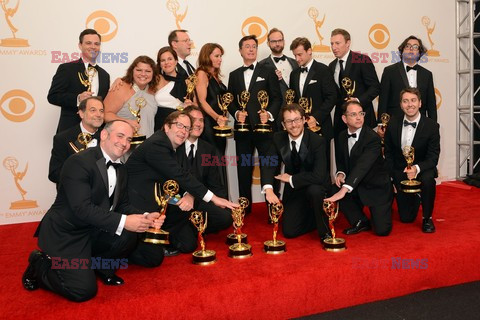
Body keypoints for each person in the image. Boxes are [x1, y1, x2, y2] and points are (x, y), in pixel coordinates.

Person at [22, 120, 165, 302]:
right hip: (67, 233)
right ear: (104, 135)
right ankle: (40, 264)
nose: (124, 143)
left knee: (130, 236)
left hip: (94, 227)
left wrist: (146, 217)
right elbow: (82, 209)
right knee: (83, 290)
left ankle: (100, 266)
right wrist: (124, 222)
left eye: (129, 139)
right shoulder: (79, 162)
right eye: (120, 136)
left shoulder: (121, 167)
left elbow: (122, 205)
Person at [126, 111, 238, 255]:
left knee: (188, 245)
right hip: (141, 206)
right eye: (179, 125)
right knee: (152, 258)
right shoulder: (157, 144)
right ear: (167, 127)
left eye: (187, 128)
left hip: (165, 202)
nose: (183, 131)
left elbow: (175, 179)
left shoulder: (170, 146)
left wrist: (187, 195)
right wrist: (214, 199)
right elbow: (181, 176)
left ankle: (175, 232)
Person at [227, 34, 282, 213]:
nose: (251, 49)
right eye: (247, 46)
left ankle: (272, 208)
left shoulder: (268, 71)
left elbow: (276, 98)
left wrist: (270, 114)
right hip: (243, 131)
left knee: (270, 165)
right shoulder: (234, 75)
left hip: (265, 130)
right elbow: (230, 100)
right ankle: (244, 207)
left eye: (254, 46)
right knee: (243, 169)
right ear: (240, 50)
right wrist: (236, 113)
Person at [264, 104, 331, 241]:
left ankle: (324, 230)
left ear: (303, 120)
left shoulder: (317, 141)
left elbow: (319, 176)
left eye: (297, 120)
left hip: (316, 186)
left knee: (315, 191)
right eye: (289, 121)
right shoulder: (278, 138)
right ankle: (313, 214)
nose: (294, 125)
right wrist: (268, 189)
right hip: (295, 190)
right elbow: (268, 164)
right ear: (283, 124)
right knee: (289, 232)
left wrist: (291, 179)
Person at [325, 101, 393, 236]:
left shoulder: (372, 138)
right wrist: (340, 174)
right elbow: (341, 162)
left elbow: (362, 166)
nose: (359, 117)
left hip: (376, 187)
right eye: (353, 114)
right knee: (334, 188)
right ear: (344, 118)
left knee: (382, 231)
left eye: (361, 113)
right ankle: (360, 221)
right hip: (355, 186)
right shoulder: (341, 136)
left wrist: (344, 190)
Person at [384, 88, 440, 233]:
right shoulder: (393, 123)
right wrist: (392, 176)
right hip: (400, 170)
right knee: (406, 218)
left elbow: (433, 157)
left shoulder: (432, 126)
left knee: (428, 180)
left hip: (422, 169)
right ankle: (412, 197)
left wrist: (416, 168)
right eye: (405, 101)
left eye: (413, 100)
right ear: (401, 105)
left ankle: (427, 218)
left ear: (420, 103)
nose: (410, 104)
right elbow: (388, 153)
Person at [176, 105, 232, 233]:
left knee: (225, 217)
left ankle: (193, 227)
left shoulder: (208, 149)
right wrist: (186, 196)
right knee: (187, 243)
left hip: (200, 199)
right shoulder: (173, 146)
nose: (198, 124)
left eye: (201, 120)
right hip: (177, 202)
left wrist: (223, 203)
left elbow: (214, 182)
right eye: (193, 119)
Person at [48, 29, 110, 133]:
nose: (93, 47)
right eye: (88, 43)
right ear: (80, 45)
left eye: (96, 44)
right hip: (70, 131)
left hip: (96, 133)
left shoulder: (104, 75)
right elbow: (53, 96)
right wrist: (78, 98)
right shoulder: (67, 69)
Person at [289, 37, 337, 169]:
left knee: (322, 168)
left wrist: (316, 118)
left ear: (309, 51)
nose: (297, 59)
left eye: (300, 54)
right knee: (303, 167)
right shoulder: (294, 74)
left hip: (320, 129)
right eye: (295, 55)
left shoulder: (323, 70)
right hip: (300, 130)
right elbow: (292, 102)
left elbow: (332, 97)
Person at [328, 28, 380, 141]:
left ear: (348, 43)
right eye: (332, 44)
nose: (334, 47)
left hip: (362, 119)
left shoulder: (362, 60)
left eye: (337, 43)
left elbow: (375, 87)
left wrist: (358, 101)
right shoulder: (331, 66)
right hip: (341, 122)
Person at [378, 35, 437, 131]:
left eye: (415, 47)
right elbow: (383, 99)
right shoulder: (390, 71)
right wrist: (381, 123)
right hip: (395, 123)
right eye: (408, 46)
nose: (411, 49)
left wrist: (433, 125)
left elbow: (431, 104)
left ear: (419, 52)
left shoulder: (427, 74)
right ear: (402, 50)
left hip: (420, 125)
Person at [48, 96, 104, 184]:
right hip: (73, 194)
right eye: (93, 110)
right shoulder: (63, 138)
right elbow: (54, 174)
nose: (98, 114)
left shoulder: (108, 138)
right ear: (81, 113)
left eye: (101, 111)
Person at [104, 56, 158, 143]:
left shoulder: (153, 90)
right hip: (120, 144)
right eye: (139, 70)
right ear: (132, 71)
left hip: (146, 145)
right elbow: (105, 114)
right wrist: (126, 121)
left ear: (153, 74)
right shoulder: (120, 87)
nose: (143, 74)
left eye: (148, 71)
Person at [195, 43, 229, 156]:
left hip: (219, 123)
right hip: (209, 123)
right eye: (217, 56)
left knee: (219, 156)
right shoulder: (201, 73)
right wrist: (217, 117)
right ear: (207, 56)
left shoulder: (214, 75)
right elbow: (202, 100)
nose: (220, 59)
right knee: (213, 157)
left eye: (221, 56)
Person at [154, 46, 193, 131]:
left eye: (170, 59)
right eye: (163, 60)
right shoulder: (156, 79)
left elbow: (196, 105)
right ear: (160, 64)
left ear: (176, 61)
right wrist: (119, 80)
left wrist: (189, 106)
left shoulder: (187, 82)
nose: (166, 63)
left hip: (178, 125)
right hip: (158, 124)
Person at [259, 28, 299, 108]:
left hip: (296, 111)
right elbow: (260, 91)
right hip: (275, 112)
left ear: (284, 42)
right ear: (268, 43)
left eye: (280, 40)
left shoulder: (295, 62)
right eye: (273, 41)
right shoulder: (261, 65)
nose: (277, 44)